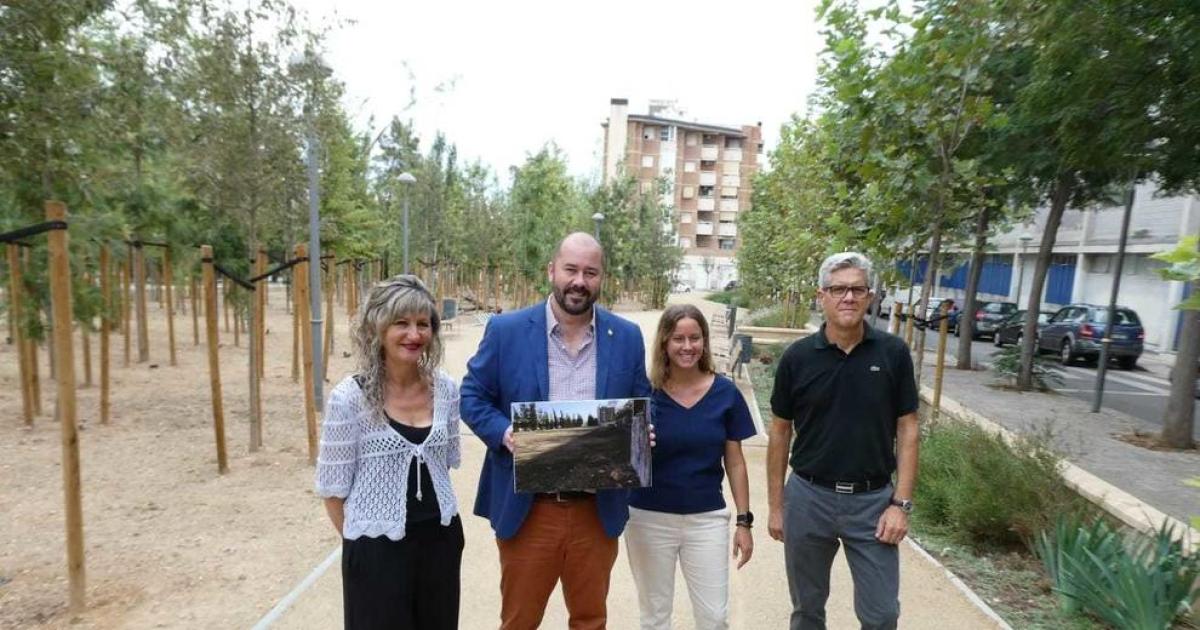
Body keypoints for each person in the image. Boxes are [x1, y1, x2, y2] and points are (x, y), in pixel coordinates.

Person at [461, 232, 652, 630]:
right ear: (552, 270)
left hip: (595, 512)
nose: (579, 281)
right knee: (519, 621)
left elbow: (643, 402)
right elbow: (472, 396)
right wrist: (504, 432)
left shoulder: (628, 337)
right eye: (571, 270)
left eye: (590, 272)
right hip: (530, 508)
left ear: (602, 278)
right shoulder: (506, 330)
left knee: (589, 621)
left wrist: (643, 434)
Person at [766, 252, 919, 630]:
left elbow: (909, 428)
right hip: (808, 498)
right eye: (838, 289)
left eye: (857, 289)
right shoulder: (797, 358)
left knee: (882, 615)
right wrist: (775, 506)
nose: (847, 297)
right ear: (822, 296)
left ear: (870, 296)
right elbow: (780, 432)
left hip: (872, 504)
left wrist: (900, 504)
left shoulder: (893, 353)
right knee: (807, 610)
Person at [315, 275, 464, 630]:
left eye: (422, 324)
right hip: (375, 552)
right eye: (401, 323)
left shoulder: (446, 389)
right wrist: (367, 545)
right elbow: (333, 492)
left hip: (440, 543)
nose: (414, 335)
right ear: (378, 327)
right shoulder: (350, 399)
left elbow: (444, 464)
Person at [625, 304, 756, 630]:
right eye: (678, 338)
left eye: (694, 338)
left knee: (713, 618)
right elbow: (617, 453)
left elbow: (736, 461)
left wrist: (744, 521)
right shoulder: (645, 393)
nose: (687, 346)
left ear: (704, 341)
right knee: (655, 616)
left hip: (706, 520)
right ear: (664, 343)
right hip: (648, 518)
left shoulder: (725, 393)